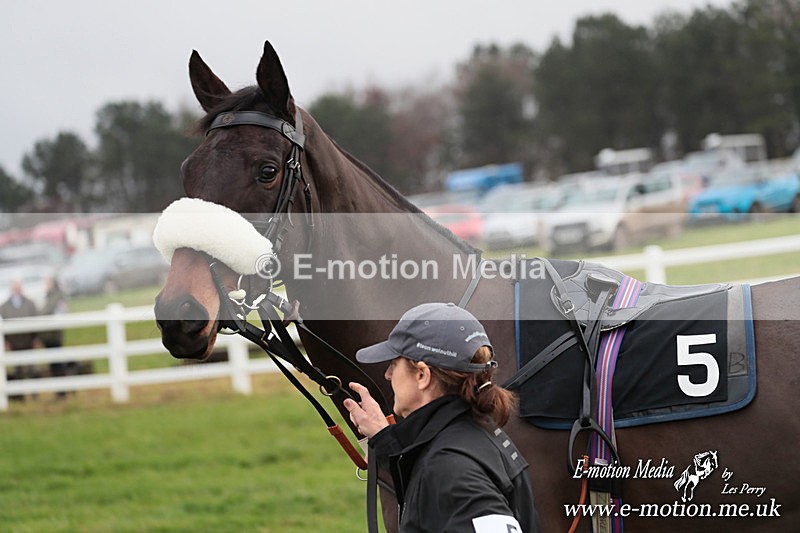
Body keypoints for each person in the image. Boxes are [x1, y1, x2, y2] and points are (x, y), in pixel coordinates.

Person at [344, 302, 541, 533]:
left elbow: (448, 485)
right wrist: (386, 439)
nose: (387, 375)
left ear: (421, 375)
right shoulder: (476, 432)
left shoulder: (449, 469)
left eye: (393, 363)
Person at [0, 279, 40, 400]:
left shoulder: (30, 303)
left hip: (28, 340)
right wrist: (5, 341)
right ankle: (19, 396)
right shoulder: (4, 306)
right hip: (14, 342)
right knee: (17, 370)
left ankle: (34, 395)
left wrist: (36, 338)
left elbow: (36, 320)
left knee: (31, 368)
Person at [40, 277, 73, 399]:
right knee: (54, 363)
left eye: (47, 282)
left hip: (54, 335)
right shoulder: (50, 296)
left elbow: (51, 312)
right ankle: (60, 392)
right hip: (48, 335)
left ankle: (62, 392)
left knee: (57, 363)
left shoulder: (57, 297)